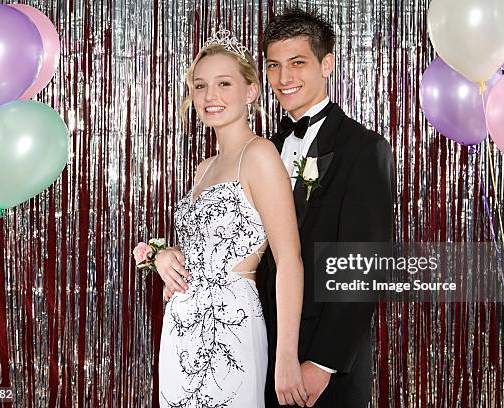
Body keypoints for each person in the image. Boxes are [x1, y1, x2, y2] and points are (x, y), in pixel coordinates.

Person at [156, 29, 307, 407]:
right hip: (180, 329)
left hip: (230, 328)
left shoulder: (260, 155)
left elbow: (289, 259)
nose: (210, 97)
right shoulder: (203, 168)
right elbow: (206, 243)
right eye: (201, 85)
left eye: (224, 83)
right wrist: (166, 257)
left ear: (251, 91)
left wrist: (286, 356)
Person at [259, 8, 394, 408]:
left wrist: (322, 364)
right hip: (260, 348)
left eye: (297, 63)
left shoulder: (363, 149)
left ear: (327, 64)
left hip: (321, 366)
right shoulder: (263, 150)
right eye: (274, 66)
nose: (285, 79)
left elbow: (365, 266)